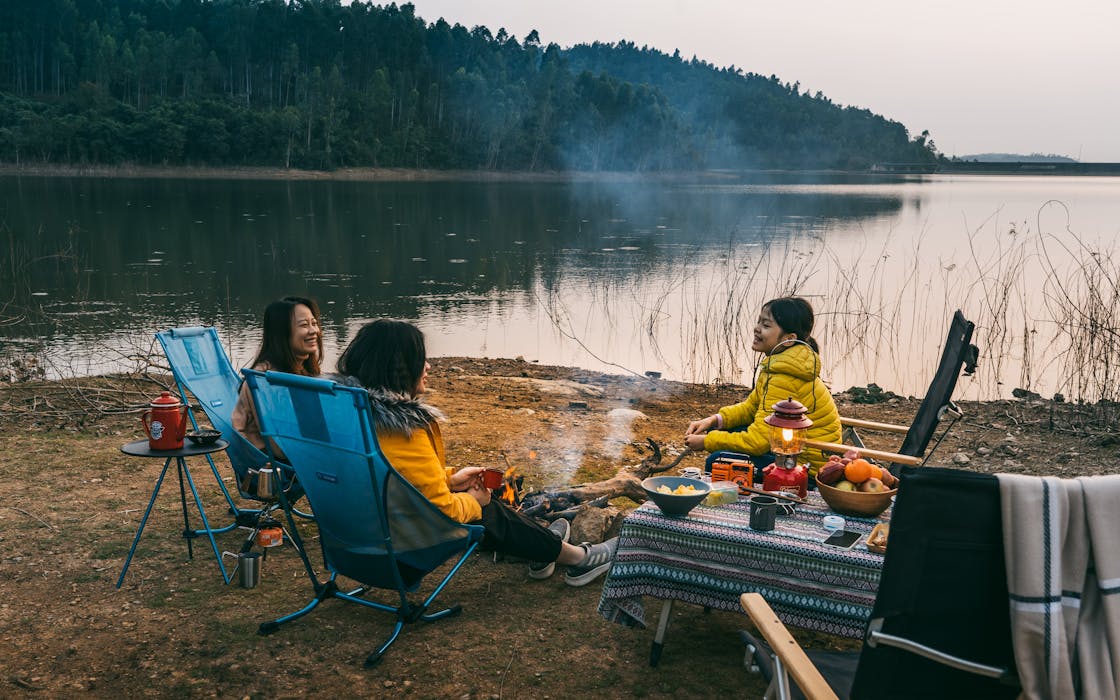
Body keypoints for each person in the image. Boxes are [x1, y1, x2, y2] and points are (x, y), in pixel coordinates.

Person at [336, 319, 616, 587]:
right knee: (488, 510)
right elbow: (443, 511)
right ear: (399, 368)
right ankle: (579, 558)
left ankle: (543, 548)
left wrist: (449, 480)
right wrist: (474, 499)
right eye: (421, 359)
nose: (429, 366)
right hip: (398, 556)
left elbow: (390, 475)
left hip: (351, 545)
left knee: (483, 506)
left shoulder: (348, 416)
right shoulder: (404, 431)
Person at [683, 296, 841, 480]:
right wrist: (713, 421)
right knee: (722, 433)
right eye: (759, 322)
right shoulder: (781, 363)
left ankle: (737, 504)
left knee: (717, 462)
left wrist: (706, 442)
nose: (756, 329)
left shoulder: (785, 376)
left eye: (766, 325)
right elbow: (752, 408)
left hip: (805, 468)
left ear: (789, 339)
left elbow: (757, 442)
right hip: (790, 452)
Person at [231, 295, 323, 458]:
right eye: (304, 325)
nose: (313, 331)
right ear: (282, 333)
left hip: (303, 458)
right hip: (277, 465)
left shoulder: (302, 370)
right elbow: (279, 447)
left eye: (314, 323)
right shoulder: (265, 380)